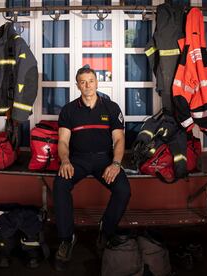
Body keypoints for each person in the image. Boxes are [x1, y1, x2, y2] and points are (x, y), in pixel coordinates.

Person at [53, 66, 131, 271]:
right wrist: (65, 161)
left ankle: (106, 231)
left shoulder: (111, 108)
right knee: (60, 184)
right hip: (77, 160)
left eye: (91, 81)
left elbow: (119, 139)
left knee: (123, 189)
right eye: (83, 82)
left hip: (104, 159)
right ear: (77, 85)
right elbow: (62, 141)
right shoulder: (69, 110)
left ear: (97, 82)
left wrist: (116, 163)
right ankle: (66, 238)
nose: (87, 85)